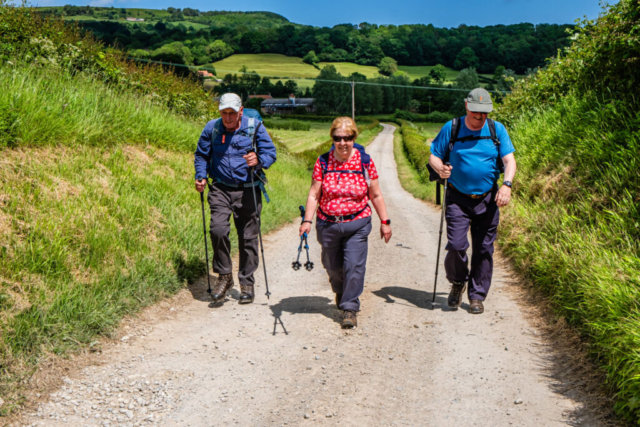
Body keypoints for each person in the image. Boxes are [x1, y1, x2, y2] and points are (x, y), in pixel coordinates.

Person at [428, 88, 517, 314]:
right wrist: (439, 168)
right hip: (457, 197)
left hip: (487, 199)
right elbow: (434, 155)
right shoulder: (453, 127)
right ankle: (458, 281)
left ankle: (477, 295)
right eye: (476, 112)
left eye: (484, 113)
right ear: (467, 107)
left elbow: (509, 161)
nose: (480, 117)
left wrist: (506, 185)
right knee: (457, 245)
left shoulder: (497, 129)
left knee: (484, 248)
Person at [300, 117, 392, 329]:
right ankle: (341, 292)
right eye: (338, 138)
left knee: (354, 265)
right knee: (332, 266)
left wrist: (384, 221)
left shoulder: (365, 162)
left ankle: (350, 307)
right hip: (328, 223)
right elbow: (314, 194)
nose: (343, 143)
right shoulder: (323, 162)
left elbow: (376, 195)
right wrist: (307, 221)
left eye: (347, 138)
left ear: (354, 138)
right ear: (332, 138)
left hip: (357, 223)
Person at [194, 93, 277, 304]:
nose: (228, 118)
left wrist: (258, 159)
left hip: (248, 188)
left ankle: (246, 281)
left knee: (248, 237)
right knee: (218, 229)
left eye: (232, 113)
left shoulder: (254, 127)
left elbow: (270, 153)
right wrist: (201, 175)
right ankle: (224, 277)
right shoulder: (212, 128)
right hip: (220, 188)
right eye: (224, 113)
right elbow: (202, 155)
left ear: (241, 111)